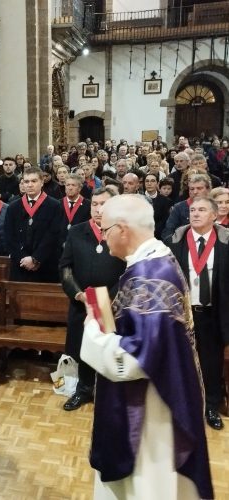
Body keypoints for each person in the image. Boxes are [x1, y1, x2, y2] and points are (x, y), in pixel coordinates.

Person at [81, 194, 213, 499]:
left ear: (123, 229)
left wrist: (93, 328)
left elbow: (132, 361)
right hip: (163, 391)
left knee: (147, 486)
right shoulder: (155, 260)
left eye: (106, 229)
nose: (103, 237)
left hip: (150, 411)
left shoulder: (150, 277)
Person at [59, 187, 125, 411]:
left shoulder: (122, 232)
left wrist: (110, 297)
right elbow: (65, 267)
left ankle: (107, 394)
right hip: (82, 303)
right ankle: (83, 389)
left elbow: (129, 269)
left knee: (108, 348)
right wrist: (78, 293)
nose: (98, 209)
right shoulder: (77, 231)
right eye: (94, 204)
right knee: (83, 347)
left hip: (111, 304)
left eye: (103, 204)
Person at [167, 197, 229, 431]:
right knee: (181, 361)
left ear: (215, 215)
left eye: (202, 210)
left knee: (211, 363)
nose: (195, 214)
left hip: (212, 314)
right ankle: (181, 405)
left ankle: (211, 406)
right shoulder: (176, 242)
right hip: (183, 314)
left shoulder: (225, 243)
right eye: (192, 210)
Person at [4, 167, 61, 282]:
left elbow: (53, 236)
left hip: (45, 266)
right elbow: (9, 236)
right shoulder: (13, 207)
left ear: (42, 182)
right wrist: (23, 259)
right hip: (20, 265)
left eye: (34, 181)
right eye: (26, 181)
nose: (29, 185)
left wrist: (36, 259)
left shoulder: (55, 206)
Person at [162, 174, 211, 240]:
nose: (195, 192)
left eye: (199, 188)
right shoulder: (178, 208)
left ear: (208, 189)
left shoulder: (215, 206)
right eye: (192, 189)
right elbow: (168, 232)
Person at [59, 173, 91, 246]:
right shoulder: (57, 204)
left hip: (80, 246)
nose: (70, 188)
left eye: (73, 185)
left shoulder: (88, 205)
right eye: (68, 185)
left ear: (79, 188)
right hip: (59, 248)